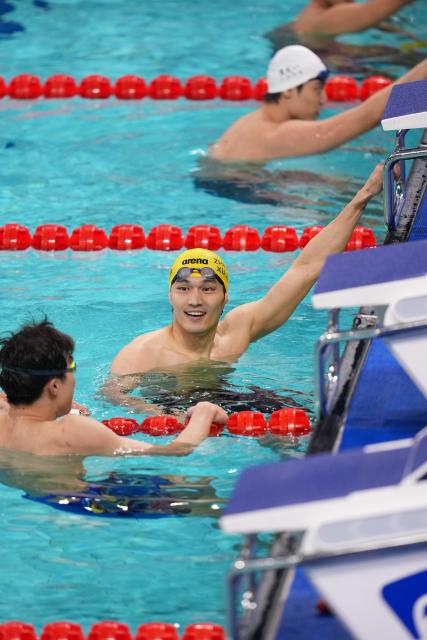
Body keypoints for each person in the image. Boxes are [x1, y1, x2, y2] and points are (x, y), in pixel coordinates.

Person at [106, 163, 383, 409]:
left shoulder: (236, 333)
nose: (194, 300)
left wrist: (363, 196)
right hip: (172, 406)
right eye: (183, 288)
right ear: (170, 295)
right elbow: (112, 395)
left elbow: (306, 269)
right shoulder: (144, 352)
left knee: (300, 413)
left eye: (208, 288)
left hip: (221, 398)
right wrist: (161, 417)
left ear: (226, 298)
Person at [0, 319, 227, 457]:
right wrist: (204, 413)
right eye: (72, 366)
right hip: (81, 507)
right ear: (55, 386)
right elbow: (175, 451)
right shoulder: (72, 430)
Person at [210, 45, 427, 163]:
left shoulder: (253, 122)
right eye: (317, 88)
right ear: (287, 90)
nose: (323, 99)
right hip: (240, 191)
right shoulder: (278, 134)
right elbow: (366, 116)